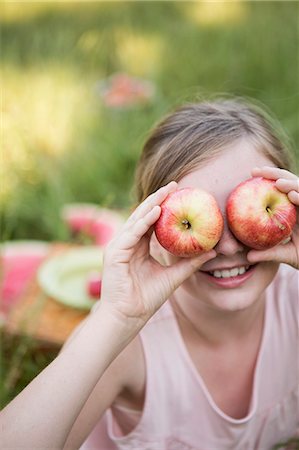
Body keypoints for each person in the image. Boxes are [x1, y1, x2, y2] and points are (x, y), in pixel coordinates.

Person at [1, 98, 298, 450]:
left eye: (243, 218)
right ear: (151, 230)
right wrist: (115, 317)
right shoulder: (130, 345)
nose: (229, 247)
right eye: (208, 221)